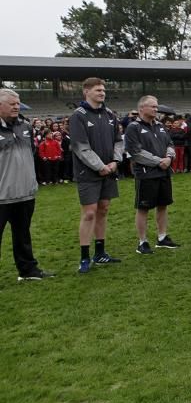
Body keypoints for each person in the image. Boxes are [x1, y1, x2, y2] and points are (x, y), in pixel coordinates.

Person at [70, 77, 124, 273]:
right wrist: (100, 166)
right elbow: (80, 147)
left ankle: (100, 253)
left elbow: (118, 141)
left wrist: (115, 162)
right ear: (86, 92)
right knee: (89, 213)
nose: (102, 93)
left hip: (108, 170)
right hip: (89, 172)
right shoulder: (78, 115)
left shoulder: (110, 114)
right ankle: (84, 257)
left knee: (103, 209)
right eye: (98, 90)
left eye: (103, 90)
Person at [0, 89, 54, 281]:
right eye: (12, 103)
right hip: (1, 195)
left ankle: (28, 271)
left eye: (18, 103)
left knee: (22, 235)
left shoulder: (25, 126)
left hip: (25, 193)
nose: (16, 106)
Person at [124, 96, 181, 254]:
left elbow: (170, 144)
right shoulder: (133, 127)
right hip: (146, 174)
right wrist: (158, 161)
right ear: (142, 108)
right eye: (153, 107)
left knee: (163, 205)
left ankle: (162, 237)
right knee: (143, 207)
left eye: (156, 107)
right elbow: (135, 152)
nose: (156, 109)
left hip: (164, 172)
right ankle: (142, 242)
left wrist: (169, 158)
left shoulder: (161, 126)